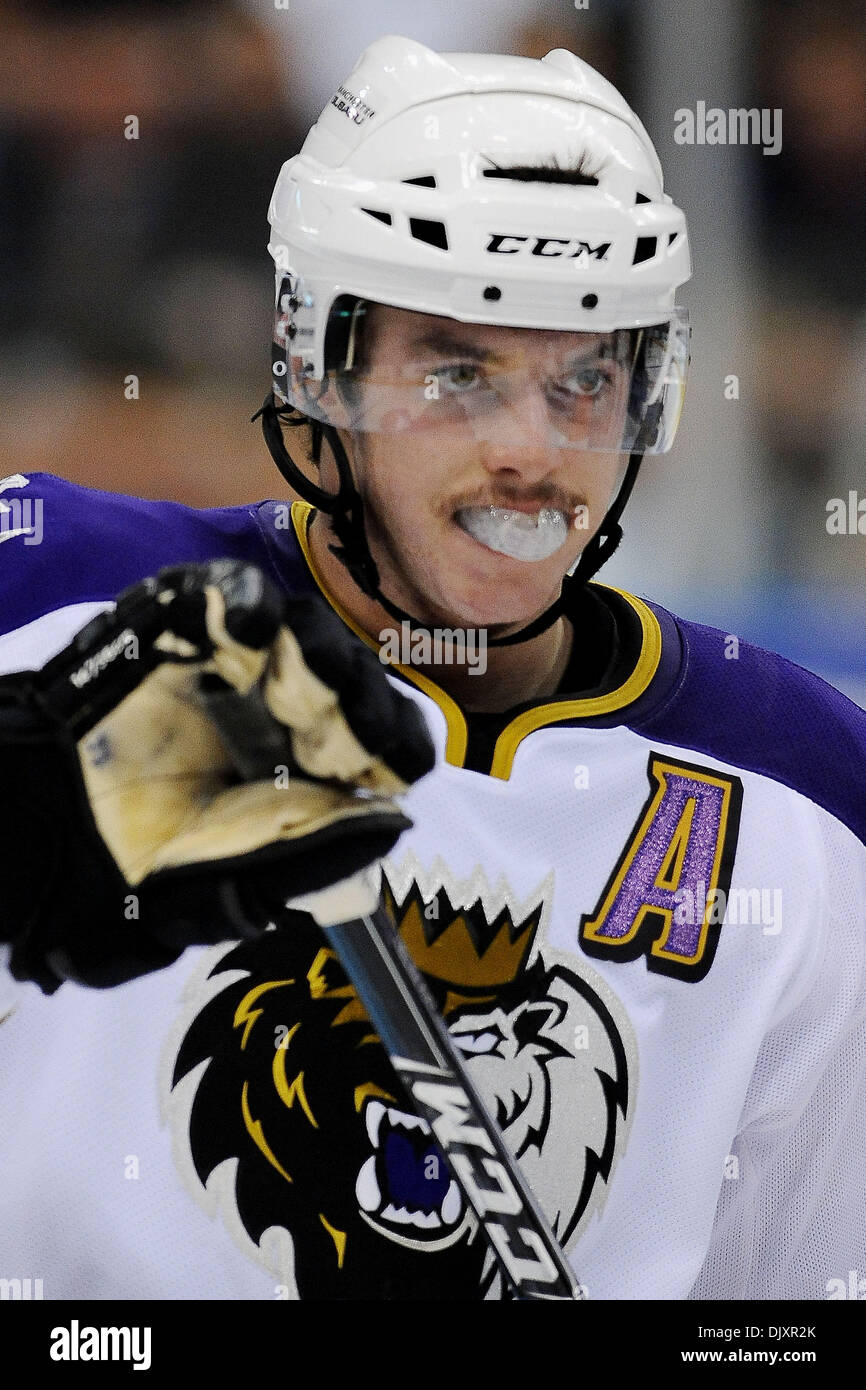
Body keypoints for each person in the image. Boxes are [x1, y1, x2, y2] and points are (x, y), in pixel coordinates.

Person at [1, 35, 864, 1303]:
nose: (532, 450)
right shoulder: (49, 589)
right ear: (314, 367)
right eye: (457, 373)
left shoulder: (805, 791)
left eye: (585, 381)